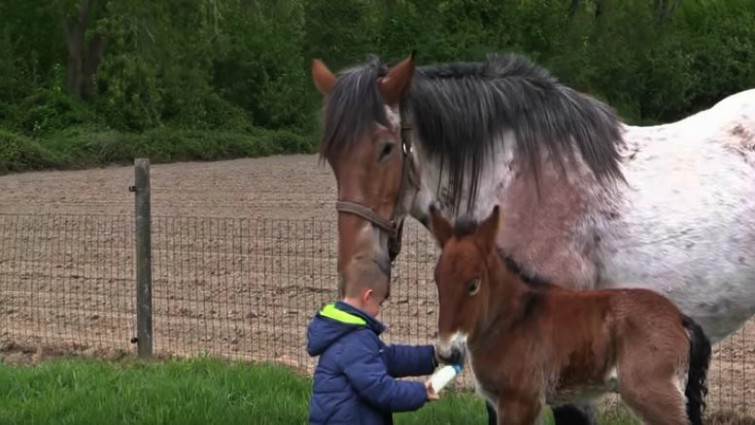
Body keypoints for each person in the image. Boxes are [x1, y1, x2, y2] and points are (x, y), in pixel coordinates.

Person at [306, 255, 456, 425]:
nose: (378, 311)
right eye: (380, 303)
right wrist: (421, 392)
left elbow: (389, 358)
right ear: (368, 296)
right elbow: (381, 389)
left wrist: (433, 356)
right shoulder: (354, 340)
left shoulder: (345, 329)